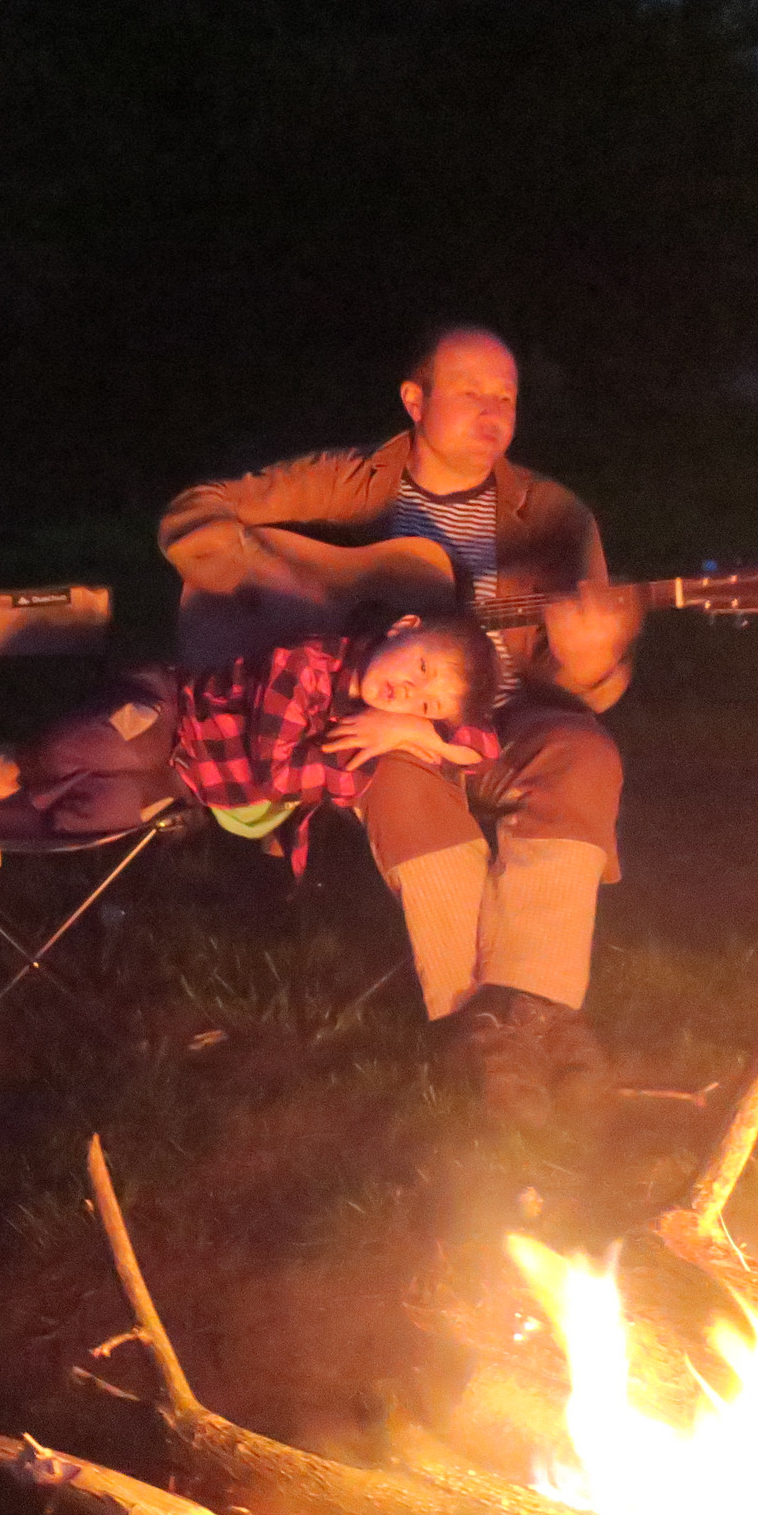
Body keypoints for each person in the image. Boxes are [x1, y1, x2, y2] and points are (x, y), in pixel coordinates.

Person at [157, 328, 638, 1107]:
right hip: (378, 717)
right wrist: (276, 587)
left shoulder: (555, 518)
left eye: (507, 396)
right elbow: (196, 510)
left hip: (502, 721)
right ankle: (477, 1029)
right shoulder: (353, 483)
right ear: (415, 400)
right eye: (471, 392)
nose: (494, 412)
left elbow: (582, 688)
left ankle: (534, 1005)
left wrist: (590, 660)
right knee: (390, 765)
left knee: (584, 753)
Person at [0, 613, 502, 861]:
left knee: (92, 815)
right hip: (171, 712)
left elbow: (486, 747)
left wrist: (416, 731)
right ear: (403, 628)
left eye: (426, 704)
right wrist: (364, 769)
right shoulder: (304, 665)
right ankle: (2, 770)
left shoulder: (384, 722)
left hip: (183, 780)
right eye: (421, 667)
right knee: (92, 745)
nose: (408, 691)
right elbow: (276, 774)